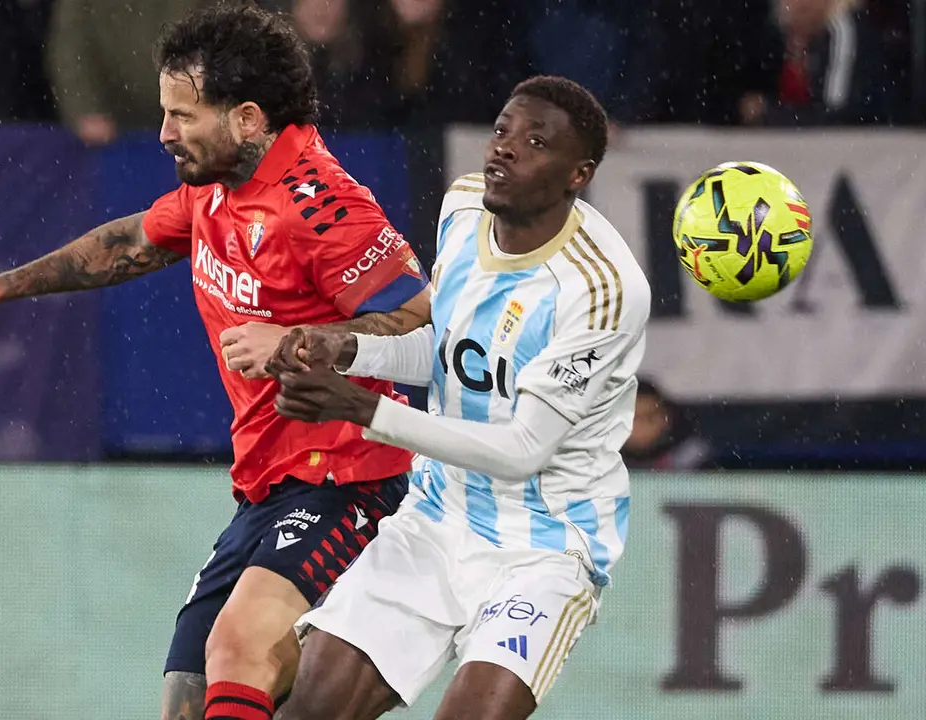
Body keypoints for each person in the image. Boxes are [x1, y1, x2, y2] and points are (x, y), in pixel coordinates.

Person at [0, 6, 431, 720]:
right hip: (266, 484)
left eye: (182, 115)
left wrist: (293, 342)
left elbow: (421, 322)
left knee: (239, 647)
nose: (164, 133)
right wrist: (1, 285)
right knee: (187, 695)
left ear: (246, 119)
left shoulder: (323, 205)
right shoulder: (216, 185)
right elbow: (132, 242)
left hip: (350, 480)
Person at [263, 76, 651, 719]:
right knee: (309, 710)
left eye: (535, 142)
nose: (504, 148)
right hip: (437, 518)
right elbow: (447, 353)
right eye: (501, 130)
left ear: (578, 175)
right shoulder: (464, 207)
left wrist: (360, 407)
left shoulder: (602, 288)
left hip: (544, 548)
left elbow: (523, 450)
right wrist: (347, 350)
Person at [622, 377, 714, 471]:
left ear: (666, 419)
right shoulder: (611, 461)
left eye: (650, 418)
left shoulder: (693, 458)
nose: (642, 426)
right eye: (634, 418)